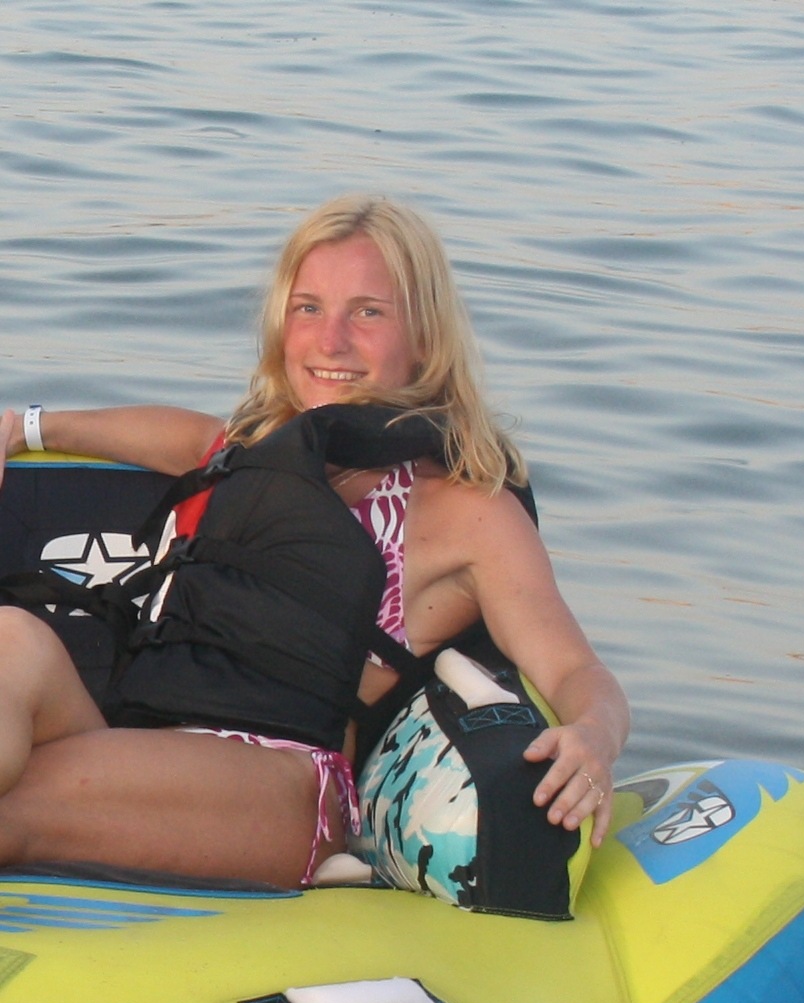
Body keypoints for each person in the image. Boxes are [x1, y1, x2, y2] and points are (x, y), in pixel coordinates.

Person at [0, 194, 629, 890]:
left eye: (368, 312)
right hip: (146, 743)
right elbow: (192, 439)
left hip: (282, 786)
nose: (331, 341)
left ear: (425, 336)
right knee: (13, 637)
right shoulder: (266, 453)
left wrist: (593, 738)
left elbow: (575, 670)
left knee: (13, 807)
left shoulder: (465, 511)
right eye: (308, 308)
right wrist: (28, 426)